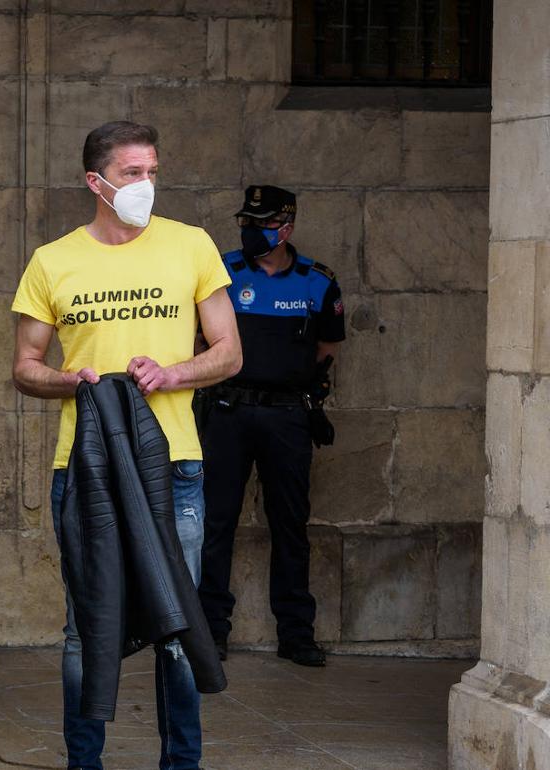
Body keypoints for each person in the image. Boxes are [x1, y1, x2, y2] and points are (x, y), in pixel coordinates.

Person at [10, 121, 242, 770]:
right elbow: (24, 364)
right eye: (133, 173)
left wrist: (173, 374)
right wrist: (67, 380)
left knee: (179, 627)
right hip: (85, 470)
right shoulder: (52, 261)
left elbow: (229, 351)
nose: (147, 185)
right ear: (97, 182)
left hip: (175, 463)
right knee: (87, 631)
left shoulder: (191, 246)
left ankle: (182, 763)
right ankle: (84, 762)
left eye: (153, 172)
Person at [197, 185, 345, 669]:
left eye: (259, 224)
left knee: (290, 524)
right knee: (215, 523)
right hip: (228, 412)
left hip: (287, 417)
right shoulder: (223, 273)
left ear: (286, 228)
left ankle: (297, 633)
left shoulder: (316, 282)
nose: (249, 231)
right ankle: (210, 630)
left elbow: (327, 349)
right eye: (246, 221)